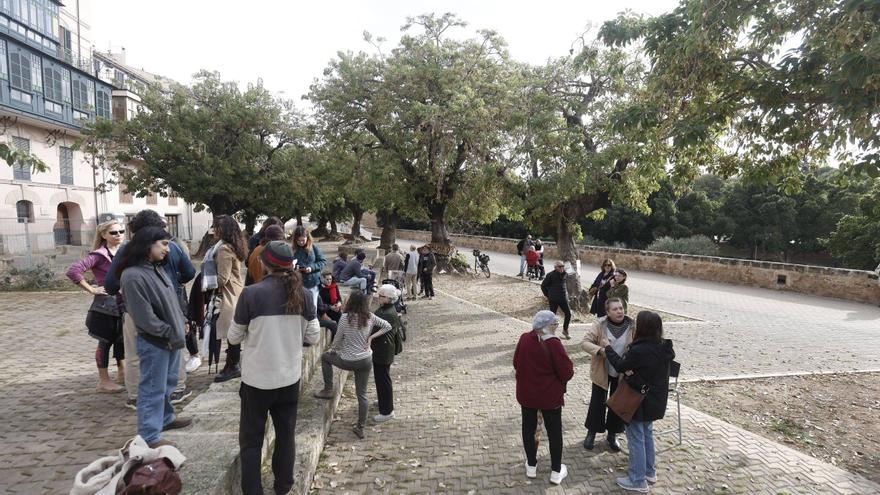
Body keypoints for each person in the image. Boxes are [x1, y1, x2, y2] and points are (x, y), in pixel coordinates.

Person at [228, 241, 320, 495]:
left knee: (251, 440)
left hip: (257, 381)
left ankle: (253, 490)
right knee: (286, 434)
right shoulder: (304, 294)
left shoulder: (251, 294)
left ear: (264, 263)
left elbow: (233, 337)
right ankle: (283, 486)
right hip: (288, 378)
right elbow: (313, 336)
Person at [105, 209, 196, 410]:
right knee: (174, 348)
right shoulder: (173, 247)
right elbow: (189, 272)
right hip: (167, 307)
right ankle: (176, 389)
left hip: (139, 311)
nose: (166, 248)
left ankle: (138, 396)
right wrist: (176, 284)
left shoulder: (128, 250)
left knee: (136, 354)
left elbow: (110, 284)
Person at [117, 226, 191, 448]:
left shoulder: (156, 269)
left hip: (171, 340)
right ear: (148, 245)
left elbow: (171, 301)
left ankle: (166, 418)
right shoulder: (132, 276)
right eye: (164, 244)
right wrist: (167, 331)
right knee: (152, 389)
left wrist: (181, 321)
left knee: (167, 384)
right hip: (156, 342)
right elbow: (144, 317)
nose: (168, 249)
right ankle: (149, 436)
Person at [605, 311, 675, 493]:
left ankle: (637, 480)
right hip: (656, 400)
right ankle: (649, 472)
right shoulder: (664, 346)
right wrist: (631, 370)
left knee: (636, 438)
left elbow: (620, 366)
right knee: (647, 435)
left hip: (638, 400)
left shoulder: (639, 350)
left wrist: (608, 348)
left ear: (642, 327)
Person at [313, 291, 392, 439]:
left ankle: (328, 389)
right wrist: (371, 338)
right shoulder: (370, 316)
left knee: (325, 358)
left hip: (347, 361)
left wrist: (333, 350)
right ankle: (360, 427)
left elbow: (337, 339)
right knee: (362, 395)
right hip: (365, 360)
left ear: (351, 302)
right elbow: (387, 326)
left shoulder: (345, 318)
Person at [513, 310, 574, 485]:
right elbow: (567, 373)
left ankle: (531, 466)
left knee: (528, 429)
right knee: (554, 433)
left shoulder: (524, 338)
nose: (556, 328)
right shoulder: (554, 343)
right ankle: (556, 471)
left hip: (527, 395)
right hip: (550, 397)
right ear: (547, 326)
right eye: (555, 324)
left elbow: (516, 362)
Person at [66, 220, 127, 393]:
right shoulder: (98, 255)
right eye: (114, 232)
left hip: (123, 303)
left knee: (122, 339)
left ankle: (122, 373)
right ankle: (103, 381)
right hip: (106, 306)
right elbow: (73, 271)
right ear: (104, 235)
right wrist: (92, 289)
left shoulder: (124, 251)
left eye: (121, 231)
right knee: (105, 342)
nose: (119, 235)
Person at [580, 297, 634, 452]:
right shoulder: (600, 325)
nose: (619, 311)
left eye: (621, 308)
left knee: (617, 404)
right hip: (602, 371)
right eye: (615, 309)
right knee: (597, 402)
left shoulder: (632, 326)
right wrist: (600, 350)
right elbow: (585, 343)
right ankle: (591, 432)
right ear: (608, 312)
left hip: (622, 373)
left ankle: (612, 434)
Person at [206, 215, 246, 383]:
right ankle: (231, 364)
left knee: (231, 331)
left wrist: (206, 280)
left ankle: (233, 366)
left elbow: (223, 278)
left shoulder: (223, 249)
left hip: (228, 293)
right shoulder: (232, 246)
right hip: (235, 291)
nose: (214, 230)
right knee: (232, 330)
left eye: (217, 227)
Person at [372, 284, 403, 423]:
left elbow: (373, 329)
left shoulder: (386, 313)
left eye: (381, 296)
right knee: (381, 379)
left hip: (383, 351)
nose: (378, 298)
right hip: (382, 350)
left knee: (383, 380)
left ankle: (387, 411)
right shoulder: (387, 309)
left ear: (388, 298)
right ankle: (383, 401)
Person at [291, 226, 326, 310]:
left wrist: (312, 267)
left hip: (312, 282)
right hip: (298, 283)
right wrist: (293, 268)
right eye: (298, 240)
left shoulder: (314, 248)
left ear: (307, 238)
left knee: (312, 307)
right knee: (300, 308)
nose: (301, 242)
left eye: (303, 240)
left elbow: (322, 261)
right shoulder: (292, 250)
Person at [541, 261, 572, 339]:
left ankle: (565, 330)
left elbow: (571, 273)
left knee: (568, 314)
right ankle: (549, 332)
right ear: (555, 267)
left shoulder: (565, 273)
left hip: (563, 298)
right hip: (553, 299)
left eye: (563, 266)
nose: (562, 268)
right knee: (552, 317)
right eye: (560, 266)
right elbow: (543, 286)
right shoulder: (550, 275)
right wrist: (548, 295)